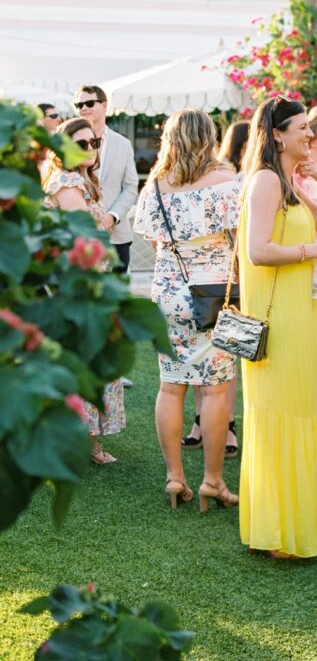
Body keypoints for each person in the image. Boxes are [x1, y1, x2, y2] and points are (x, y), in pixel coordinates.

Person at [238, 96, 317, 558]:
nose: (310, 134)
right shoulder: (265, 181)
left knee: (305, 406)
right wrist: (310, 252)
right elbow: (258, 250)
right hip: (277, 318)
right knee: (281, 409)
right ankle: (280, 530)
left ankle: (302, 522)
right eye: (301, 128)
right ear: (277, 134)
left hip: (302, 313)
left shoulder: (292, 181)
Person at [133, 109, 239, 511]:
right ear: (210, 138)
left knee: (170, 386)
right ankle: (212, 481)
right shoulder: (227, 183)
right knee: (214, 390)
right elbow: (240, 238)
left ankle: (175, 477)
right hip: (212, 296)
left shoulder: (156, 186)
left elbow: (154, 238)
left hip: (167, 294)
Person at [43, 117, 126, 465]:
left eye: (93, 142)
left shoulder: (81, 182)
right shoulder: (66, 182)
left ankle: (86, 443)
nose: (90, 148)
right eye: (81, 144)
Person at [181, 118, 250, 459]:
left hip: (218, 284)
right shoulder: (222, 179)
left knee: (222, 362)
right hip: (207, 285)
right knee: (207, 363)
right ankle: (201, 424)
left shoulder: (230, 178)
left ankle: (228, 427)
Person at [74, 85, 138, 274]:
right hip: (81, 234)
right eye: (79, 104)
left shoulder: (123, 144)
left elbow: (131, 186)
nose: (83, 108)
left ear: (104, 105)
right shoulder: (70, 141)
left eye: (89, 103)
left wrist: (112, 216)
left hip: (117, 234)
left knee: (116, 295)